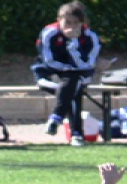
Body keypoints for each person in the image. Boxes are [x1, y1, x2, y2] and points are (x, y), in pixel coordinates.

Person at [31, 1, 101, 147]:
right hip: (49, 75)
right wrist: (67, 69)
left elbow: (88, 64)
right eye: (67, 22)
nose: (71, 26)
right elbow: (48, 61)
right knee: (71, 91)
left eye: (76, 23)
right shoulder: (49, 33)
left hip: (79, 75)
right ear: (59, 20)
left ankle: (55, 119)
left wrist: (73, 43)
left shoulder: (90, 36)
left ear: (82, 23)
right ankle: (76, 135)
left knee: (72, 84)